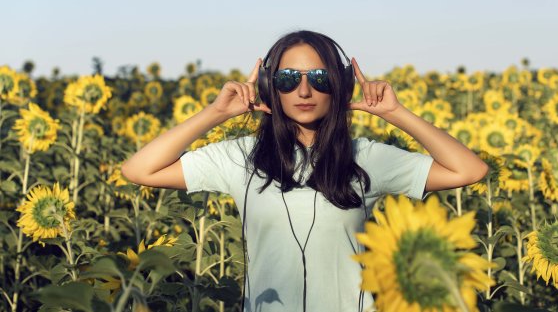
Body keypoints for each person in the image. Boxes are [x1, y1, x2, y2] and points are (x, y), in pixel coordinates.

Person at [121, 30, 489, 312]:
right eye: (286, 79)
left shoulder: (366, 158)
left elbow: (468, 170)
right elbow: (139, 170)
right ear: (270, 87)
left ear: (340, 86)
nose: (304, 90)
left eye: (319, 78)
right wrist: (216, 113)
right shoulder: (239, 158)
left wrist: (397, 114)